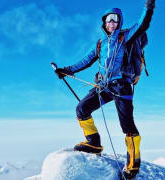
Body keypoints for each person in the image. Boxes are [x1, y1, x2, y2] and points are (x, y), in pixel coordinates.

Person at [55, 0, 155, 178]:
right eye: (108, 19)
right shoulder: (100, 44)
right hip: (104, 86)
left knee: (127, 125)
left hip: (122, 86)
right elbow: (85, 61)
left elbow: (143, 24)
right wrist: (66, 70)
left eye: (115, 19)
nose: (111, 22)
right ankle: (93, 143)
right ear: (104, 22)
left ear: (119, 22)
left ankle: (133, 163)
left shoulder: (126, 37)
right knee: (82, 109)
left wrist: (149, 6)